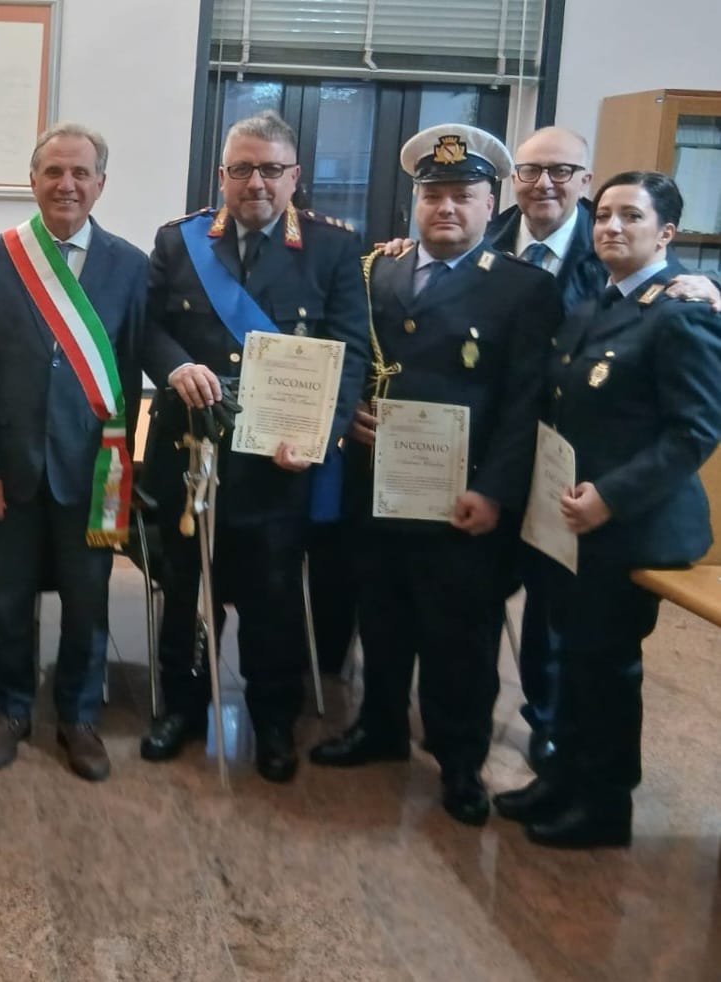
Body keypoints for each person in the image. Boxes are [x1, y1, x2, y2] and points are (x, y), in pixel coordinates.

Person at [308, 125, 563, 826]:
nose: (446, 207)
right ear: (413, 204)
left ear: (490, 206)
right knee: (382, 619)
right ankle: (380, 727)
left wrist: (495, 491)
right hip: (379, 489)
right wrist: (346, 414)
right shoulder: (375, 274)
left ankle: (459, 763)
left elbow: (525, 405)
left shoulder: (523, 289)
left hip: (464, 500)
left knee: (461, 640)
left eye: (462, 196)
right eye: (433, 195)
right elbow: (346, 359)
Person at [0, 122, 220, 781]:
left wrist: (180, 368)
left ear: (101, 183)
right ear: (33, 181)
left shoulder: (129, 264)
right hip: (12, 467)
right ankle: (12, 710)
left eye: (80, 173)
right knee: (7, 601)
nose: (66, 184)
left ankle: (78, 717)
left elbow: (145, 342)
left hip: (97, 468)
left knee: (87, 602)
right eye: (53, 172)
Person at [140, 110, 370, 782]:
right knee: (185, 587)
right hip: (191, 452)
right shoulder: (179, 241)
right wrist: (175, 366)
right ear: (223, 176)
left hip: (279, 461)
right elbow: (148, 327)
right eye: (242, 169)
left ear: (295, 176)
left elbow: (350, 351)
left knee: (273, 595)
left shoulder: (333, 248)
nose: (256, 183)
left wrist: (320, 435)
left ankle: (273, 720)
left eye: (271, 169)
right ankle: (181, 709)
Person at [494, 171, 721, 849]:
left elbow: (695, 430)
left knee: (606, 667)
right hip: (571, 521)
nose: (612, 227)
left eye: (631, 217)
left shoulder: (681, 312)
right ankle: (562, 779)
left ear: (667, 233)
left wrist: (612, 496)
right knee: (571, 659)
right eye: (605, 216)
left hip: (629, 527)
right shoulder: (597, 303)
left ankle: (604, 806)